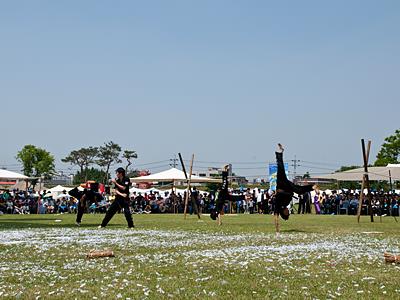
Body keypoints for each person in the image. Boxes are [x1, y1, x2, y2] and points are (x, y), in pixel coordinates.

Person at [274, 144, 318, 233]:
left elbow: (275, 217)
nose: (288, 211)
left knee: (280, 168)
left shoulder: (278, 207)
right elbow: (292, 193)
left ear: (283, 213)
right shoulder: (286, 204)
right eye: (288, 213)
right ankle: (312, 187)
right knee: (299, 190)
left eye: (287, 213)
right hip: (288, 188)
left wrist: (277, 229)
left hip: (281, 185)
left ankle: (279, 153)